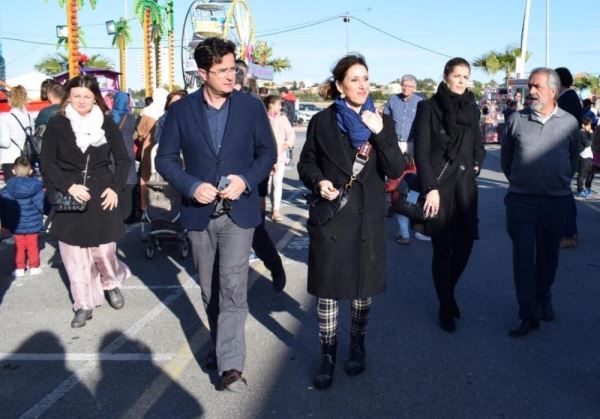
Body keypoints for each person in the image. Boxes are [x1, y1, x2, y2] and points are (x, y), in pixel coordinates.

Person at [155, 37, 276, 392]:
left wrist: (246, 180)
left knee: (234, 286)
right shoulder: (181, 111)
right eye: (222, 70)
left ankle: (231, 367)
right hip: (198, 214)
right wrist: (191, 186)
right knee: (210, 289)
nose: (231, 76)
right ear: (202, 73)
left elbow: (266, 154)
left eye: (233, 68)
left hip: (239, 212)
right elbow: (164, 159)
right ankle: (220, 346)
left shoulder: (251, 107)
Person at [297, 54, 404, 390]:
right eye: (354, 79)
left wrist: (381, 134)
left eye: (366, 79)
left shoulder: (380, 121)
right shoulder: (322, 121)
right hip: (333, 218)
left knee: (362, 292)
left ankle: (357, 344)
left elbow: (397, 169)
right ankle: (327, 354)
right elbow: (306, 162)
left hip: (367, 217)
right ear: (340, 86)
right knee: (328, 291)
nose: (362, 85)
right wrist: (318, 182)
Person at [41, 75, 131, 329]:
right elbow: (47, 162)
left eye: (87, 97)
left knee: (104, 250)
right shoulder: (57, 124)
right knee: (74, 255)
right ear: (68, 96)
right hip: (69, 192)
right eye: (77, 95)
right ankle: (83, 303)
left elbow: (123, 160)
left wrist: (115, 188)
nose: (81, 101)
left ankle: (111, 282)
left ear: (96, 99)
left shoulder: (106, 123)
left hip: (102, 194)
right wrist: (68, 186)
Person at [501, 67, 579, 338]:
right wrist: (521, 182)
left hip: (556, 201)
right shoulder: (516, 120)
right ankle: (528, 314)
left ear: (553, 91)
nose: (530, 92)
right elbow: (507, 158)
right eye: (530, 87)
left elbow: (573, 157)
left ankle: (543, 298)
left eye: (537, 87)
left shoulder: (569, 122)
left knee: (549, 256)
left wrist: (557, 180)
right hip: (521, 201)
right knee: (523, 257)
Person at [413, 57, 485, 333]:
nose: (462, 81)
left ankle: (448, 293)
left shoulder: (472, 108)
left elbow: (477, 141)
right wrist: (430, 187)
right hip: (440, 188)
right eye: (457, 76)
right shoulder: (428, 107)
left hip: (466, 187)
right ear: (445, 76)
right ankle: (445, 305)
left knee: (465, 246)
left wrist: (477, 162)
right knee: (442, 249)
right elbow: (421, 151)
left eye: (466, 77)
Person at [383, 74, 423, 244]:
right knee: (392, 177)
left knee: (411, 181)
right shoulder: (393, 100)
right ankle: (393, 205)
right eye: (403, 85)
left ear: (414, 87)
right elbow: (385, 120)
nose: (406, 88)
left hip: (413, 145)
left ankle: (409, 207)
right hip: (395, 144)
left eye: (409, 86)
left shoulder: (421, 102)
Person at [0, 157, 45, 277]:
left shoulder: (5, 190)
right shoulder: (36, 188)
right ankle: (34, 266)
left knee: (19, 246)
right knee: (32, 245)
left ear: (13, 171)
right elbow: (41, 205)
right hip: (33, 223)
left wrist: (4, 224)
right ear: (30, 171)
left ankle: (20, 267)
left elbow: (3, 210)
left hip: (15, 224)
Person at [555, 67, 582, 249]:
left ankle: (568, 233)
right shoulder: (570, 98)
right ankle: (568, 231)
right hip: (564, 152)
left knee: (563, 194)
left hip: (563, 153)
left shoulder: (568, 99)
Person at [135, 88, 168, 210]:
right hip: (164, 148)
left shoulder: (148, 111)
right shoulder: (166, 111)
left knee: (145, 176)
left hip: (149, 147)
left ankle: (145, 206)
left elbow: (140, 131)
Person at [264, 95, 295, 222]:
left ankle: (275, 210)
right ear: (271, 104)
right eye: (278, 104)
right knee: (266, 184)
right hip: (264, 157)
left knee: (277, 183)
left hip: (280, 157)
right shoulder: (262, 118)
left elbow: (291, 134)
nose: (281, 107)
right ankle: (262, 206)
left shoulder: (282, 119)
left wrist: (286, 145)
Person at [111, 91, 139, 222]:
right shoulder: (131, 119)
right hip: (128, 154)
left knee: (115, 185)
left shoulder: (110, 118)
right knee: (128, 187)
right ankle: (128, 218)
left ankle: (114, 216)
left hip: (112, 155)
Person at [0, 85, 32, 181]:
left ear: (10, 99)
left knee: (11, 192)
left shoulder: (5, 117)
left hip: (10, 159)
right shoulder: (29, 117)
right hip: (26, 159)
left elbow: (5, 143)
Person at [575, 117, 595, 198]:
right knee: (582, 174)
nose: (590, 127)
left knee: (590, 173)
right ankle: (580, 190)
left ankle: (587, 188)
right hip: (583, 156)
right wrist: (591, 134)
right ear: (583, 125)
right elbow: (587, 143)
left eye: (590, 125)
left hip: (589, 155)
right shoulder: (581, 133)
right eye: (588, 125)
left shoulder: (586, 132)